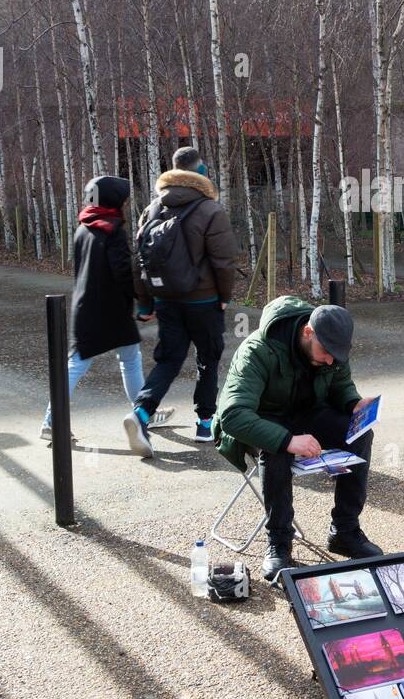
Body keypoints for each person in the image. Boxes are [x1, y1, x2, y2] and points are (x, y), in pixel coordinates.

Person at [214, 295, 382, 581]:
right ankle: (279, 542)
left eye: (336, 355)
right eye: (326, 352)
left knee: (360, 435)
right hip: (261, 421)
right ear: (308, 332)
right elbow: (233, 415)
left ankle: (344, 530)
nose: (331, 359)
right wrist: (289, 440)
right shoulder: (257, 350)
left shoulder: (333, 347)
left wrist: (353, 404)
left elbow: (341, 384)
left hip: (306, 414)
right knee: (276, 450)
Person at [124, 146, 238, 456]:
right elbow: (223, 261)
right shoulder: (211, 210)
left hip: (167, 300)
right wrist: (225, 297)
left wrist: (145, 304)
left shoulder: (152, 210)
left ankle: (141, 413)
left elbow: (140, 262)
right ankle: (204, 423)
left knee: (169, 360)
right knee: (208, 358)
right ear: (200, 172)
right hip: (204, 301)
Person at [40, 175, 172, 441]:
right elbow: (124, 273)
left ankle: (142, 411)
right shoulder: (113, 230)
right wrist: (141, 301)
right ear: (113, 201)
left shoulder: (83, 228)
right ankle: (140, 412)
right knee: (122, 362)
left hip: (86, 306)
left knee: (93, 361)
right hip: (111, 311)